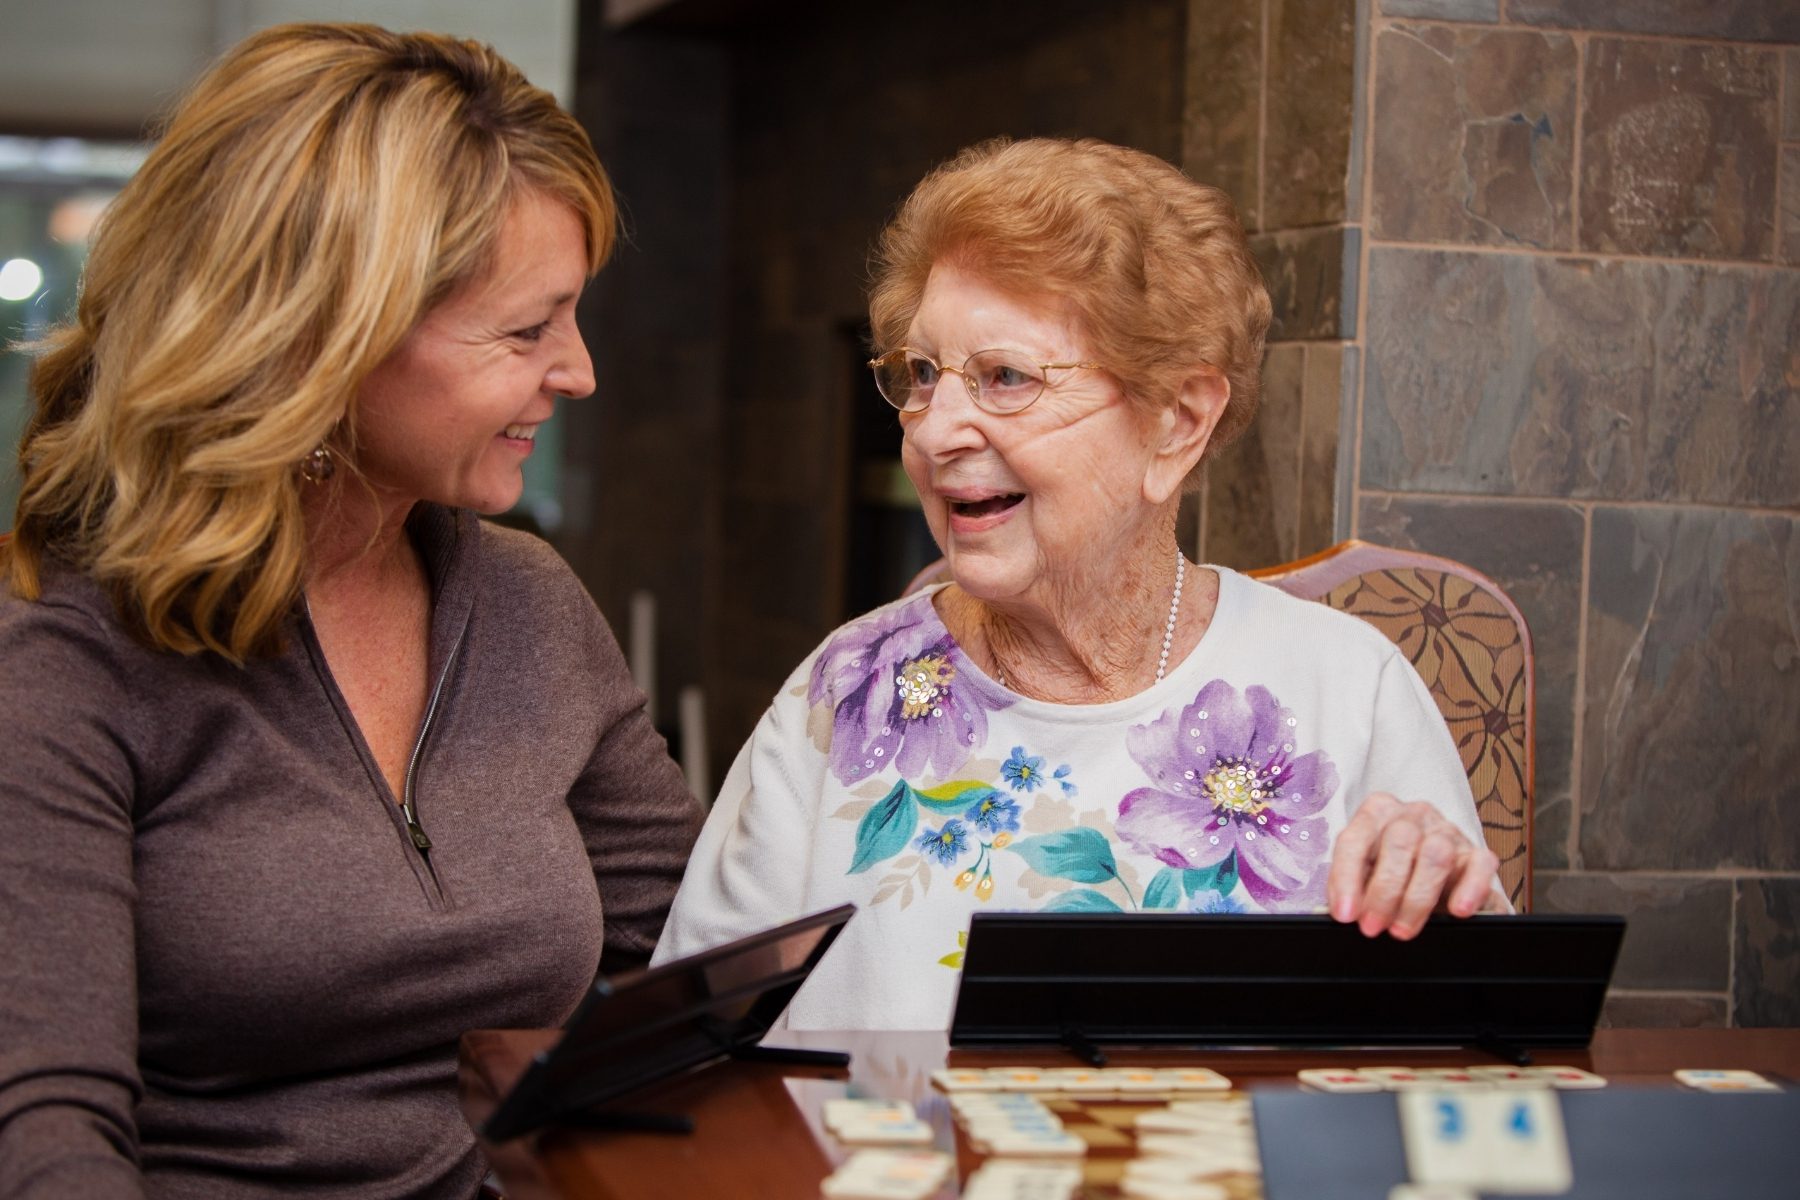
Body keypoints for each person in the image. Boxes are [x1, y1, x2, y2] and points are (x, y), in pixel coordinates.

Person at [0, 24, 703, 1197]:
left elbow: (704, 955)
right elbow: (44, 1136)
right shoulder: (67, 664)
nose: (577, 371)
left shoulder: (528, 606)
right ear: (324, 340)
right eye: (527, 328)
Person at [655, 137, 1505, 1030]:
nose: (937, 429)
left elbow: (1478, 1058)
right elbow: (691, 1049)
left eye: (1006, 377)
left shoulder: (1346, 687)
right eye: (922, 374)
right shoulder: (846, 691)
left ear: (1176, 423)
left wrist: (1449, 906)